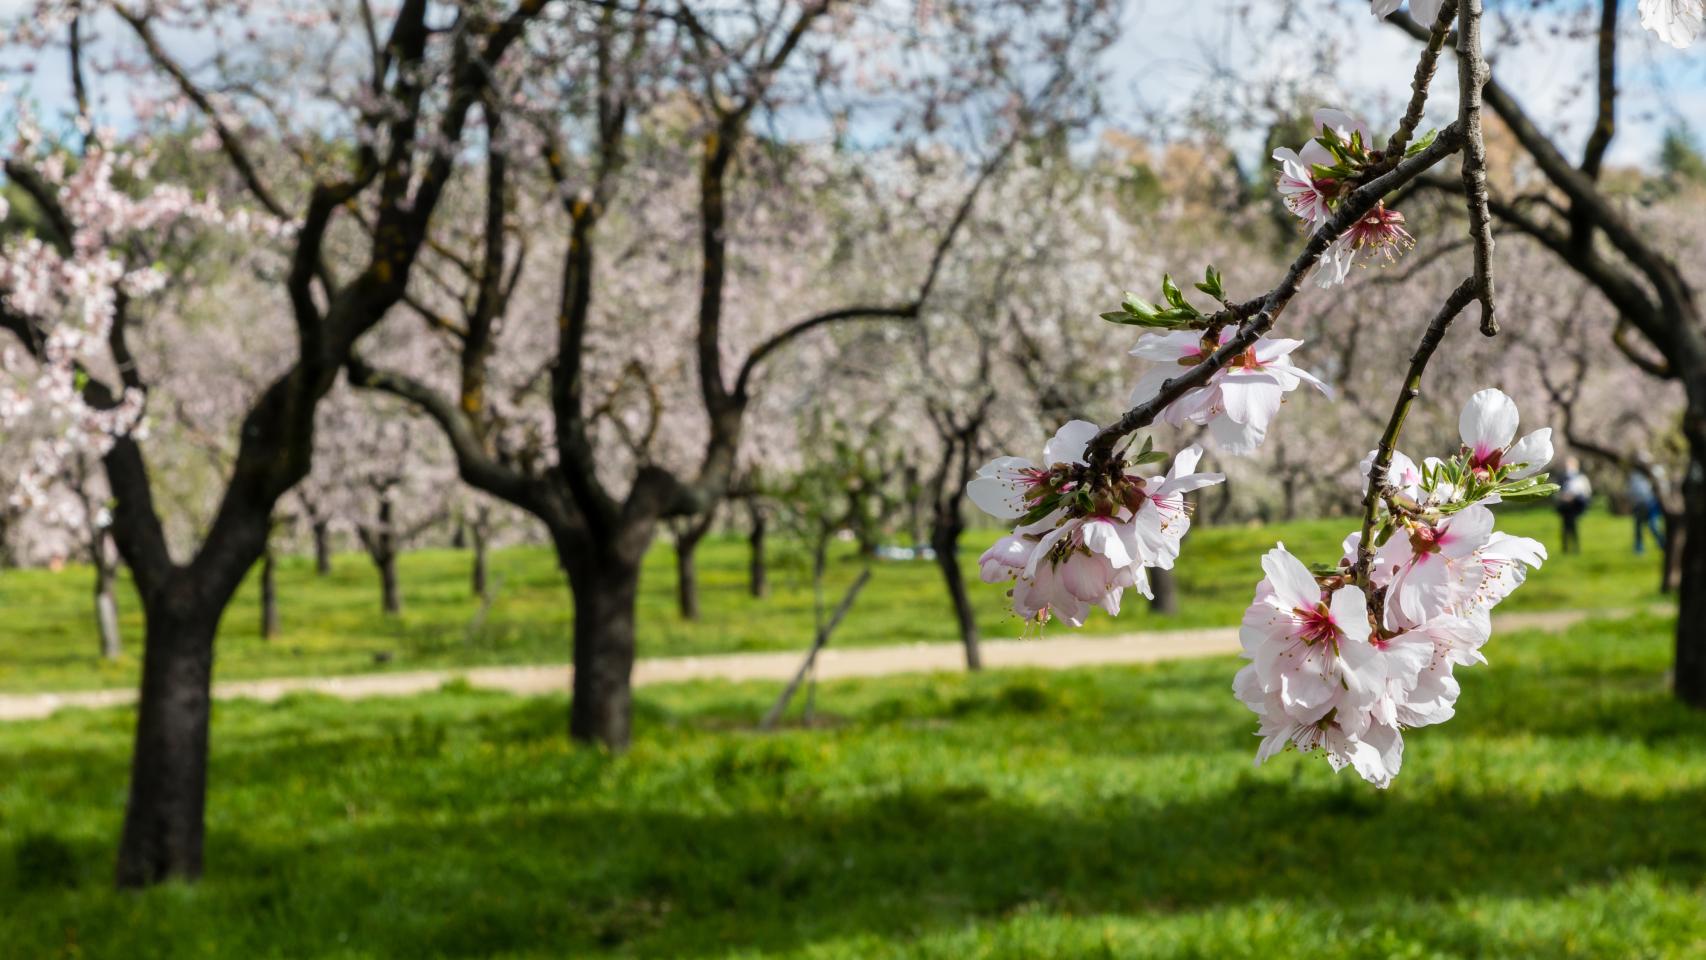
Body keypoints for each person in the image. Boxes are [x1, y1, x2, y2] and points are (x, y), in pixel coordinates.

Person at [1629, 454, 1667, 555]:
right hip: (1639, 504)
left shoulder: (1656, 471)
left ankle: (1663, 543)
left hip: (1652, 503)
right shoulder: (1635, 474)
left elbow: (1663, 487)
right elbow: (1631, 489)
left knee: (1653, 525)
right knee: (1638, 527)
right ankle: (1639, 548)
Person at [1554, 456, 1591, 554]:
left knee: (1573, 526)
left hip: (1575, 505)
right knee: (1565, 528)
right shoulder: (1562, 477)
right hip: (1565, 506)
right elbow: (1557, 491)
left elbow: (1585, 491)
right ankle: (1565, 548)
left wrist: (1574, 497)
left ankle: (1575, 548)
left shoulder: (1580, 477)